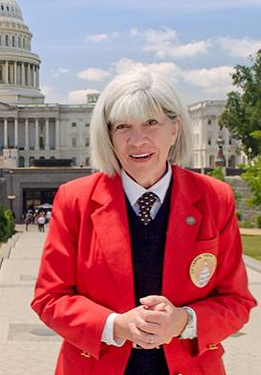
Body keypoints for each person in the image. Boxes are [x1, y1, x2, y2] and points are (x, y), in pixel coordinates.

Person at [31, 71, 256, 375]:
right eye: (123, 127)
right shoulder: (75, 200)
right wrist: (115, 326)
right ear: (108, 136)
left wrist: (185, 320)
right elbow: (49, 298)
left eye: (151, 123)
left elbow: (237, 301)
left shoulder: (214, 198)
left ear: (175, 129)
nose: (138, 140)